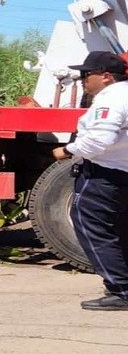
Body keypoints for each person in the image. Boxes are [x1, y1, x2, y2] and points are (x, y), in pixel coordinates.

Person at [52, 51, 128, 311]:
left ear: (106, 76)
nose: (83, 79)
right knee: (120, 230)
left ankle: (121, 290)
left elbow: (99, 140)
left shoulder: (111, 98)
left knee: (92, 228)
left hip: (104, 174)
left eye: (87, 74)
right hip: (122, 173)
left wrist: (68, 150)